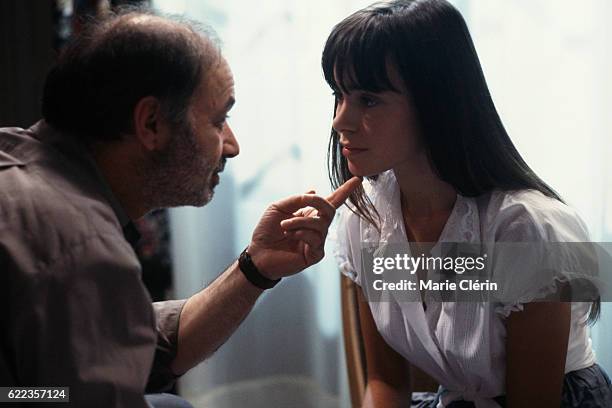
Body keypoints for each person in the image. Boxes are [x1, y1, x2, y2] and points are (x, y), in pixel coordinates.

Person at [0, 8, 361, 408]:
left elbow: (130, 342)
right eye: (218, 120)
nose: (233, 145)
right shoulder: (82, 247)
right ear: (151, 123)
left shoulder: (16, 158)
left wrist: (256, 267)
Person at [325, 1, 612, 407]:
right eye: (339, 94)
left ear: (435, 102)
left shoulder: (523, 230)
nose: (340, 120)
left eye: (368, 100)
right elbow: (387, 384)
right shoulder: (366, 221)